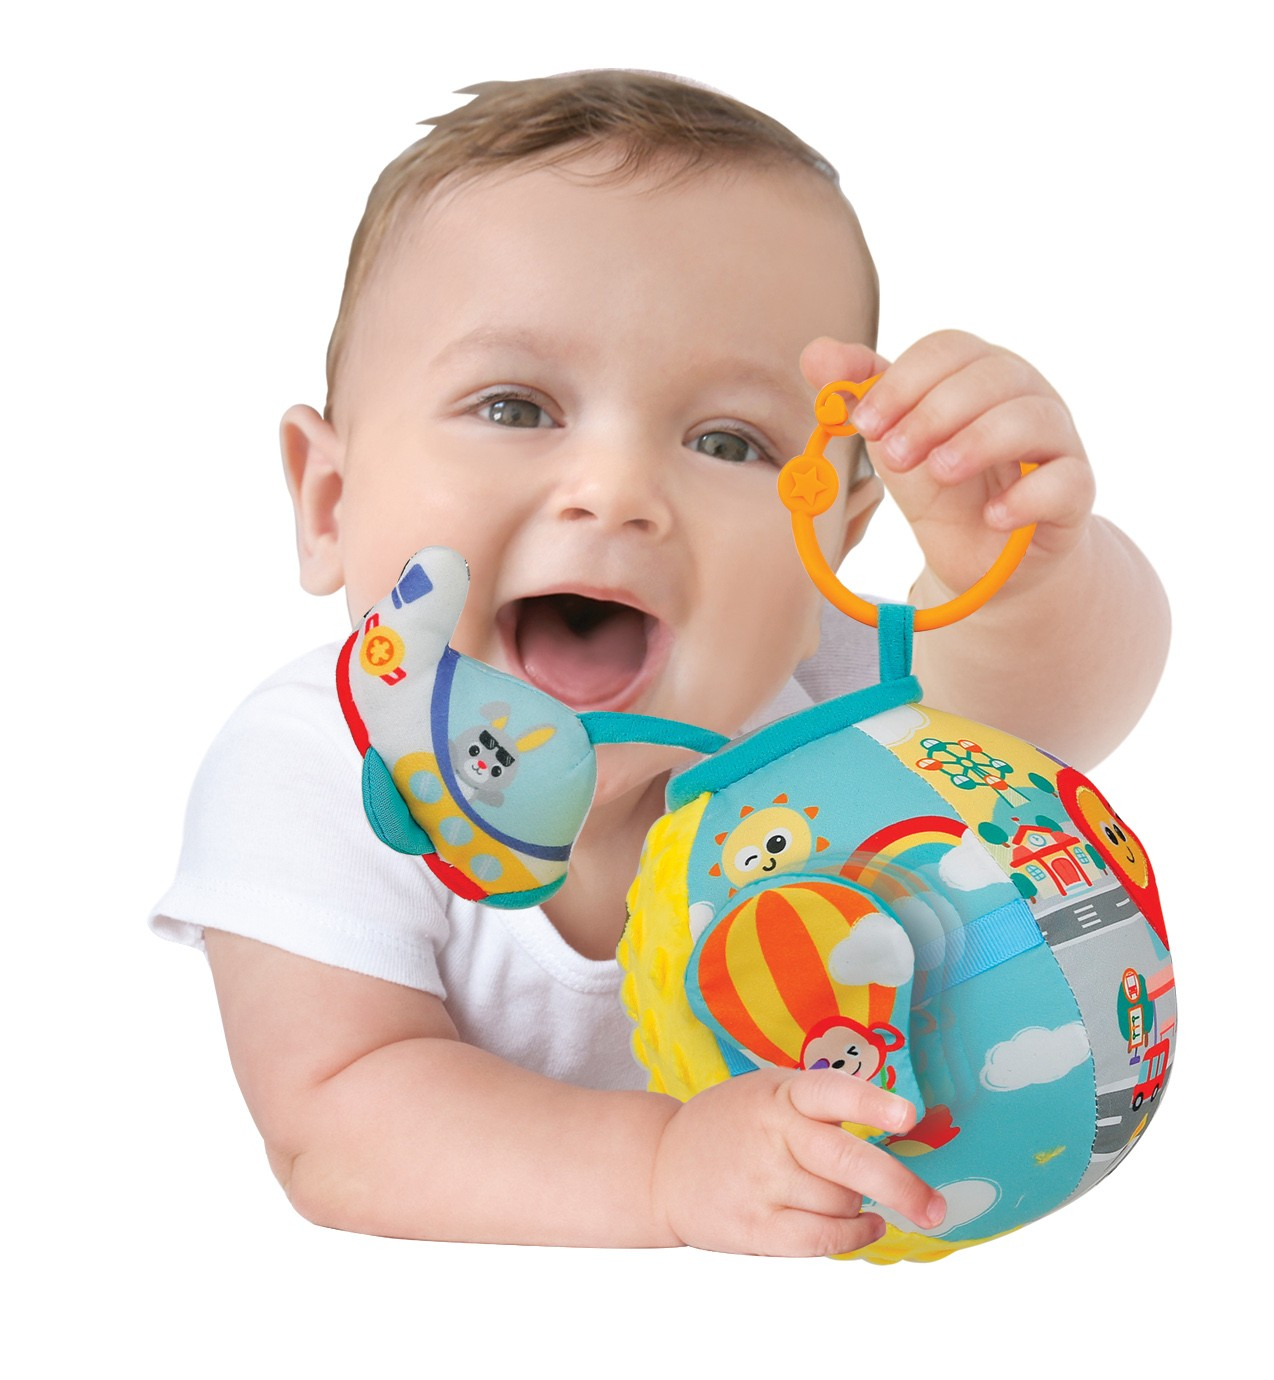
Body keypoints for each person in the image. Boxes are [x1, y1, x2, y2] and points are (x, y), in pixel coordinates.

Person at [150, 70, 1169, 1256]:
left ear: (831, 544)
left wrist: (1022, 571)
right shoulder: (306, 770)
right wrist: (661, 1170)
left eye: (726, 441)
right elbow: (338, 1121)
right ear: (329, 503)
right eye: (515, 407)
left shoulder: (813, 702)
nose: (617, 491)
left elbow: (1042, 721)